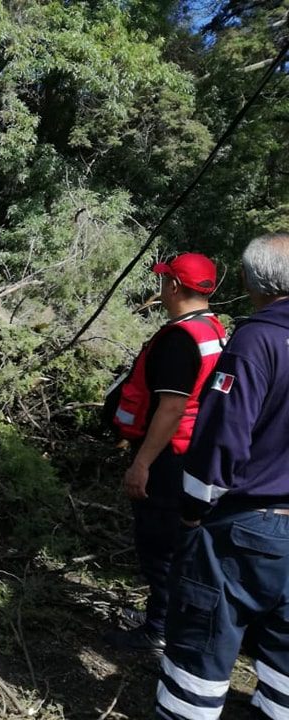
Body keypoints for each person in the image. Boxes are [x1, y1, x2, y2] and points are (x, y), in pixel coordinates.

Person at [156, 233, 289, 719]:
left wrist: (191, 514)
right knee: (283, 662)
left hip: (244, 525)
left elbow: (223, 442)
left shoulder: (257, 340)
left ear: (255, 281)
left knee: (202, 646)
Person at [104, 253, 226, 653]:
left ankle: (158, 631)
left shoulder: (179, 340)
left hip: (169, 457)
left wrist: (141, 464)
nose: (161, 287)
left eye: (164, 281)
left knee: (159, 546)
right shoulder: (212, 329)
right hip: (193, 453)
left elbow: (171, 408)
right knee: (176, 545)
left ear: (173, 285)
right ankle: (164, 618)